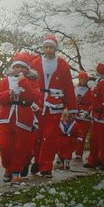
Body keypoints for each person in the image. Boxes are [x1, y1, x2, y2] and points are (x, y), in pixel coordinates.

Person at [31, 33, 78, 176]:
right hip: (38, 104)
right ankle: (37, 161)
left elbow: (69, 87)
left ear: (55, 48)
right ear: (43, 48)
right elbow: (29, 84)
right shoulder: (35, 63)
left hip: (54, 105)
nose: (49, 50)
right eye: (46, 47)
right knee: (37, 136)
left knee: (49, 137)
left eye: (51, 47)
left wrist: (72, 107)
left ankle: (46, 167)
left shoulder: (62, 64)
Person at [0, 54, 42, 184]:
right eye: (16, 66)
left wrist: (22, 82)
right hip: (5, 118)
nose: (18, 69)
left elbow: (32, 97)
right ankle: (7, 167)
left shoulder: (32, 82)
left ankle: (16, 171)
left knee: (20, 147)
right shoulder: (5, 81)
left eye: (21, 67)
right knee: (4, 145)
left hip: (23, 118)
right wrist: (8, 93)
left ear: (27, 69)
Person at [65, 69, 92, 164]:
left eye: (85, 78)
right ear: (79, 79)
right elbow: (68, 100)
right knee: (71, 133)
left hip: (85, 116)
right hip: (74, 115)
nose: (83, 80)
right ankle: (68, 152)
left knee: (82, 135)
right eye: (81, 78)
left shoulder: (90, 91)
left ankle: (79, 153)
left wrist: (87, 111)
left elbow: (93, 103)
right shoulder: (73, 89)